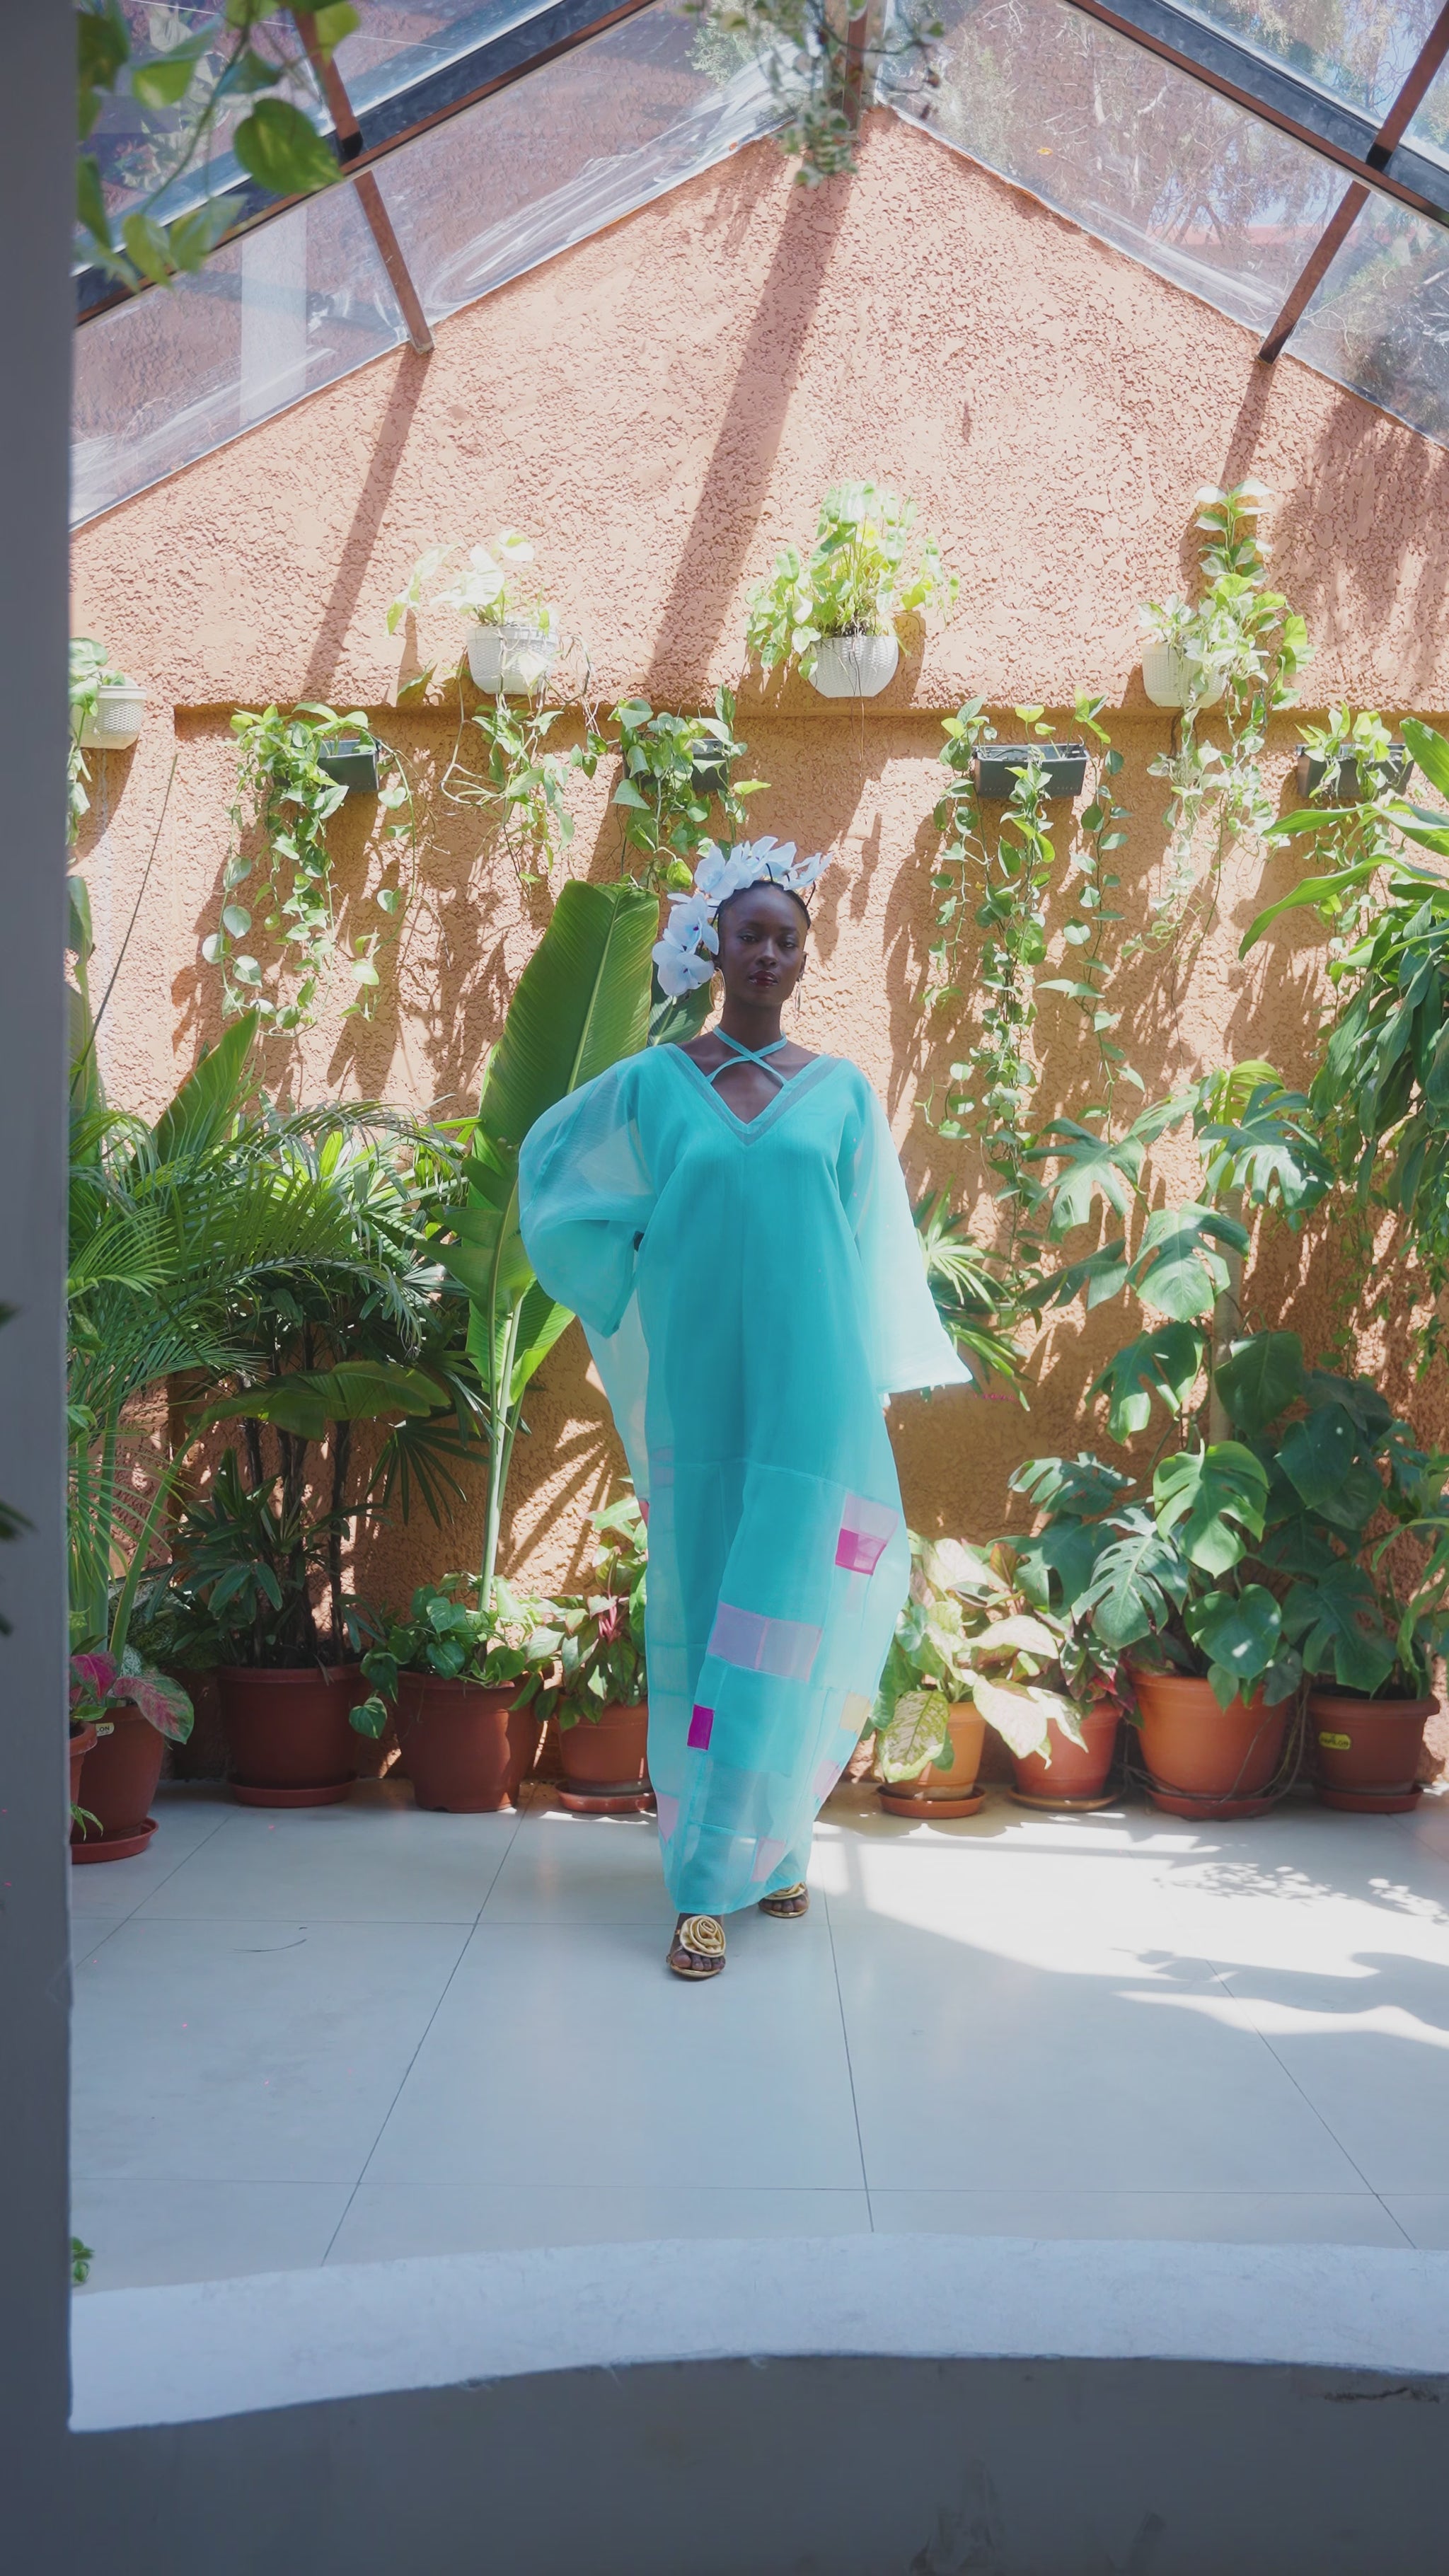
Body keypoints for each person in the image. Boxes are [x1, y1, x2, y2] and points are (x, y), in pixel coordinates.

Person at [518, 838, 969, 1979]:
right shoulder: (655, 1085)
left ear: (804, 957)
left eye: (787, 938)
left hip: (812, 1398)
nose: (768, 952)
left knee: (793, 1611)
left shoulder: (844, 1095)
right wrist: (634, 1276)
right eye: (749, 933)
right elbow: (557, 1174)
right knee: (708, 1608)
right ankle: (736, 1860)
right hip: (702, 1396)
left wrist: (872, 1385)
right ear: (712, 944)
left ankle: (739, 1862)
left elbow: (873, 1250)